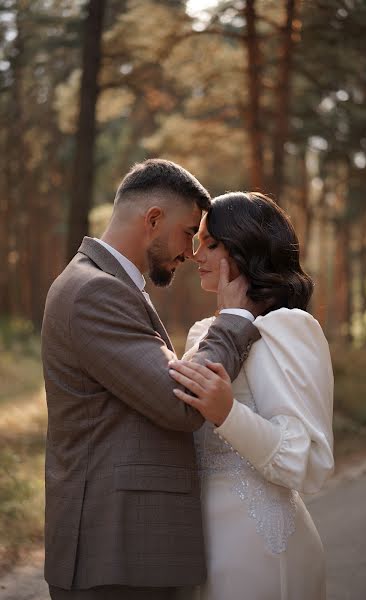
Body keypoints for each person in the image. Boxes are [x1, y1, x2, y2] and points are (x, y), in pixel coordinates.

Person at [41, 161, 263, 600]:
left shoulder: (104, 285)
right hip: (118, 554)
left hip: (125, 549)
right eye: (188, 233)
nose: (192, 252)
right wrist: (235, 319)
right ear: (154, 219)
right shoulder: (94, 291)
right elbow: (181, 400)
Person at [169, 191, 335, 600]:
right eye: (197, 241)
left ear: (245, 248)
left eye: (210, 243)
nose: (195, 254)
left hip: (259, 545)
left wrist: (228, 414)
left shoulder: (289, 328)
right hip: (195, 545)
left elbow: (308, 461)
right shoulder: (201, 334)